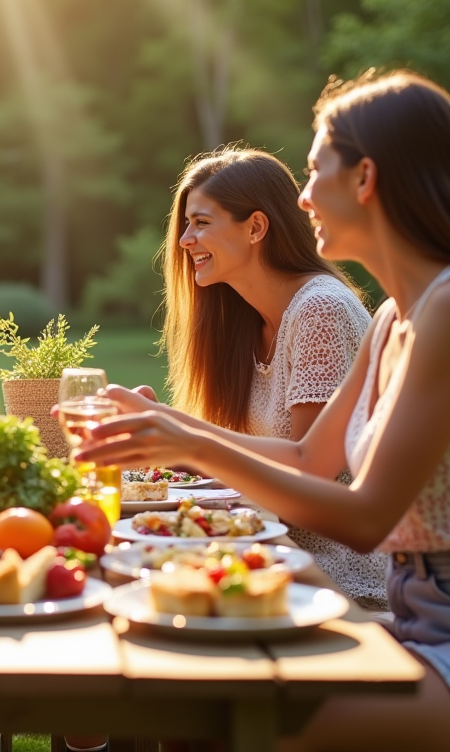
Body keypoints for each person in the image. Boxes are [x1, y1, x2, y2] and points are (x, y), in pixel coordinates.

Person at [79, 71, 450, 752]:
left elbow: (365, 513)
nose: (303, 195)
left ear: (366, 178)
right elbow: (309, 458)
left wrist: (192, 447)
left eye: (315, 169)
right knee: (187, 685)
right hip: (419, 628)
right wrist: (171, 431)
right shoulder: (388, 318)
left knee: (221, 720)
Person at [158, 146, 388, 610]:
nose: (184, 240)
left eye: (201, 223)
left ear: (257, 227)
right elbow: (244, 460)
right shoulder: (246, 321)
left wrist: (175, 432)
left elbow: (311, 473)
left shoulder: (319, 309)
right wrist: (159, 440)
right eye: (187, 224)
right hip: (272, 556)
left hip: (336, 575)